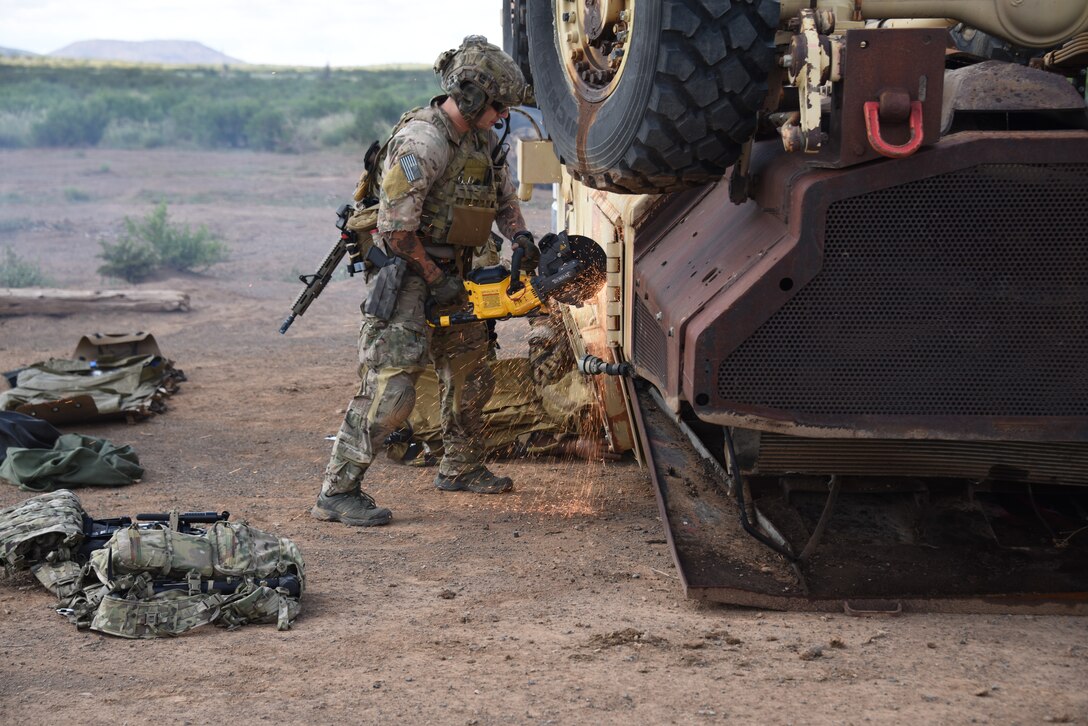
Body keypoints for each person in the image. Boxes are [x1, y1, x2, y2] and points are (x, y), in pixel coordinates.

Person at [311, 36, 538, 527]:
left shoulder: (481, 140)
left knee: (472, 372)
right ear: (474, 96)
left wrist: (521, 239)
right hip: (409, 273)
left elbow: (503, 202)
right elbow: (395, 231)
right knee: (392, 392)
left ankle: (460, 465)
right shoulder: (423, 141)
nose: (503, 118)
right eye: (498, 107)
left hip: (454, 272)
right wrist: (436, 280)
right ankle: (338, 491)